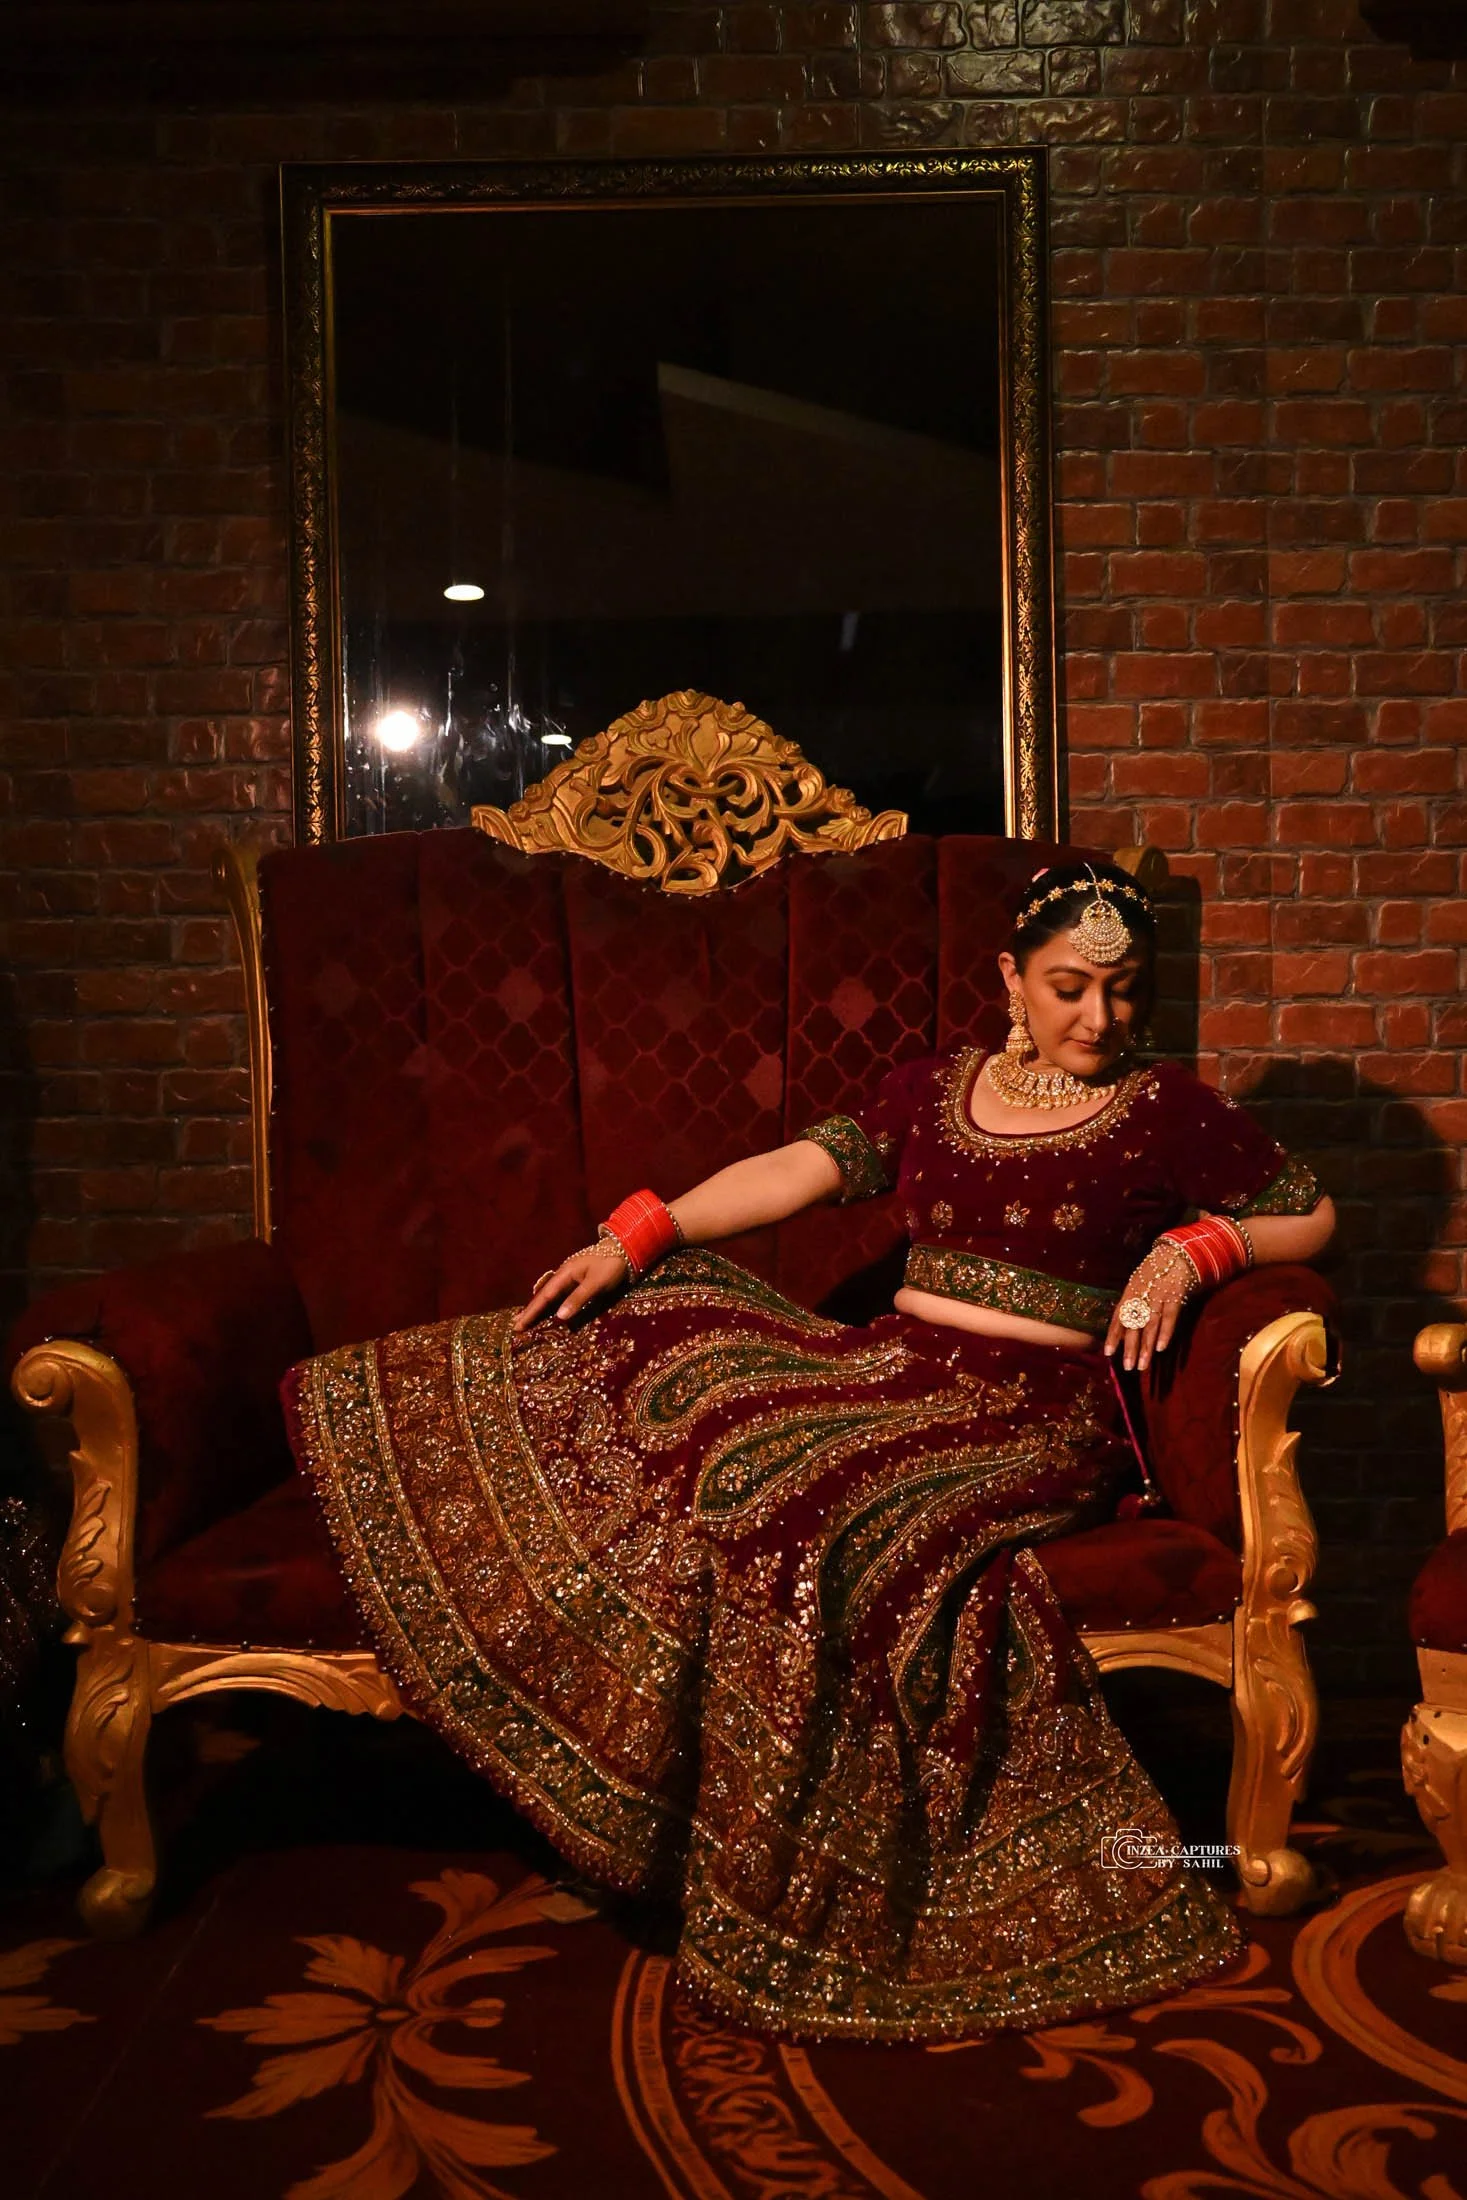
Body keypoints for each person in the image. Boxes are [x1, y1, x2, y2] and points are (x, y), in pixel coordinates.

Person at [283, 860, 1335, 2045]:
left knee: (822, 1514)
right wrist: (640, 1234)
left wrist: (1199, 1247)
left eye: (1125, 991)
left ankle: (790, 1856)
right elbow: (800, 1170)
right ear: (1011, 979)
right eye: (1071, 987)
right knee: (688, 1374)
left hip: (1035, 1417)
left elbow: (1307, 1207)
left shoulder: (1167, 1108)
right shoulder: (936, 1089)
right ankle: (656, 1788)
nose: (1101, 1017)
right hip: (892, 1366)